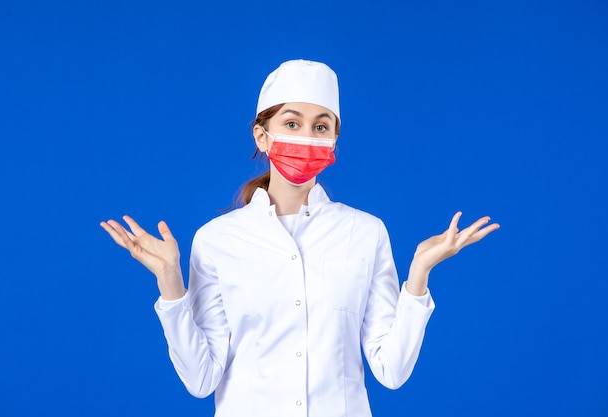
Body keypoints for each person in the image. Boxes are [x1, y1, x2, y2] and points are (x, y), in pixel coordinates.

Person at [100, 59, 499, 417]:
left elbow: (391, 372)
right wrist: (170, 284)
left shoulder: (365, 232)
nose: (307, 136)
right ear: (262, 136)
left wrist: (418, 276)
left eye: (321, 126)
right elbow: (201, 380)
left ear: (333, 142)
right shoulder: (217, 240)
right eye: (292, 124)